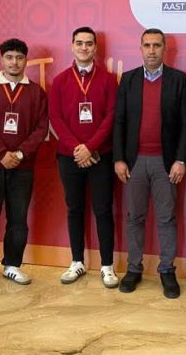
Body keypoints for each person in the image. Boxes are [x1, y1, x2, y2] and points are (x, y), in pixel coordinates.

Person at [113, 28, 186, 299]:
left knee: (166, 218)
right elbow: (119, 121)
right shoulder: (129, 79)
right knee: (134, 217)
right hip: (134, 162)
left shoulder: (179, 80)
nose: (151, 50)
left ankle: (167, 270)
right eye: (147, 45)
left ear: (165, 48)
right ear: (140, 48)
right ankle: (134, 268)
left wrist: (180, 160)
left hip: (165, 162)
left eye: (156, 45)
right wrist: (119, 158)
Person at [0, 38, 49, 290]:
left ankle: (12, 265)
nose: (14, 62)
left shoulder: (36, 93)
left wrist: (21, 154)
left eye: (19, 58)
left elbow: (41, 128)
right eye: (9, 57)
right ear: (2, 59)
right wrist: (1, 154)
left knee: (18, 219)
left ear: (26, 60)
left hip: (22, 168)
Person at [49, 27, 119, 287]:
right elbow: (55, 118)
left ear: (96, 48)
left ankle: (107, 266)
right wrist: (78, 149)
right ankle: (77, 261)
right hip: (69, 157)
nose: (84, 48)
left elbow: (111, 117)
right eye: (79, 43)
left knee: (103, 210)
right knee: (74, 209)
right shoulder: (60, 80)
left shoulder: (109, 80)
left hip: (101, 156)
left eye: (89, 43)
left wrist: (90, 147)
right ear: (72, 46)